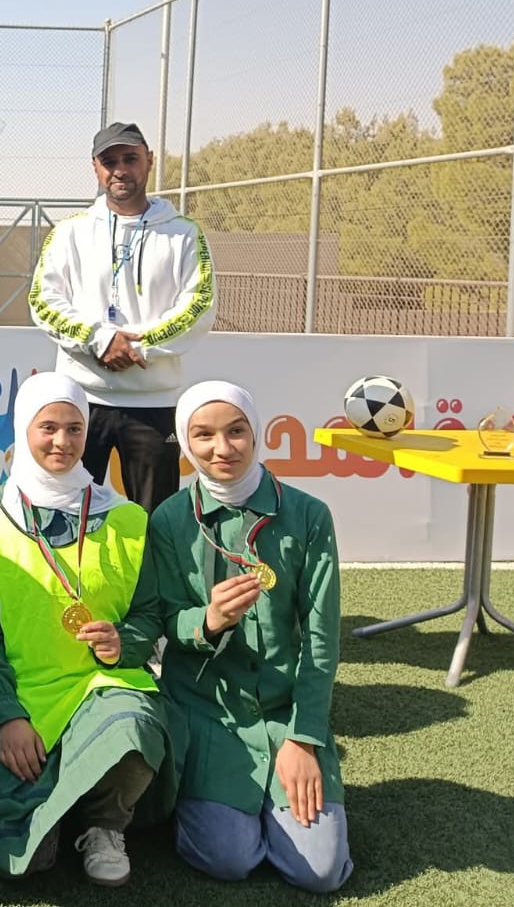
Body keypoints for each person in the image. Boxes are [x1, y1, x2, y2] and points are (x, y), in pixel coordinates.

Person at [0, 372, 169, 888]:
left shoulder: (128, 518)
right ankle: (60, 808)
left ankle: (104, 823)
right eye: (48, 427)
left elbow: (149, 613)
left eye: (74, 428)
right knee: (26, 855)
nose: (62, 442)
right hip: (22, 694)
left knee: (132, 724)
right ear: (24, 429)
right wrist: (6, 714)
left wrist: (125, 642)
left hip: (102, 684)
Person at [131, 380, 352, 893]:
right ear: (186, 443)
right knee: (228, 859)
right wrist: (207, 621)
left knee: (319, 872)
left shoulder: (308, 515)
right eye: (203, 435)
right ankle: (222, 809)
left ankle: (282, 805)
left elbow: (321, 641)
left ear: (256, 433)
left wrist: (303, 737)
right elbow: (165, 621)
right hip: (209, 714)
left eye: (236, 431)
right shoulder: (169, 519)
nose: (222, 448)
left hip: (285, 713)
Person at [27, 121, 216, 510]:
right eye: (109, 162)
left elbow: (198, 305)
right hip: (81, 399)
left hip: (154, 402)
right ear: (95, 168)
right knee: (72, 511)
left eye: (130, 159)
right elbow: (44, 300)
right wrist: (99, 340)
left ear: (149, 161)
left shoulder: (184, 233)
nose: (120, 170)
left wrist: (137, 347)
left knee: (156, 518)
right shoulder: (69, 232)